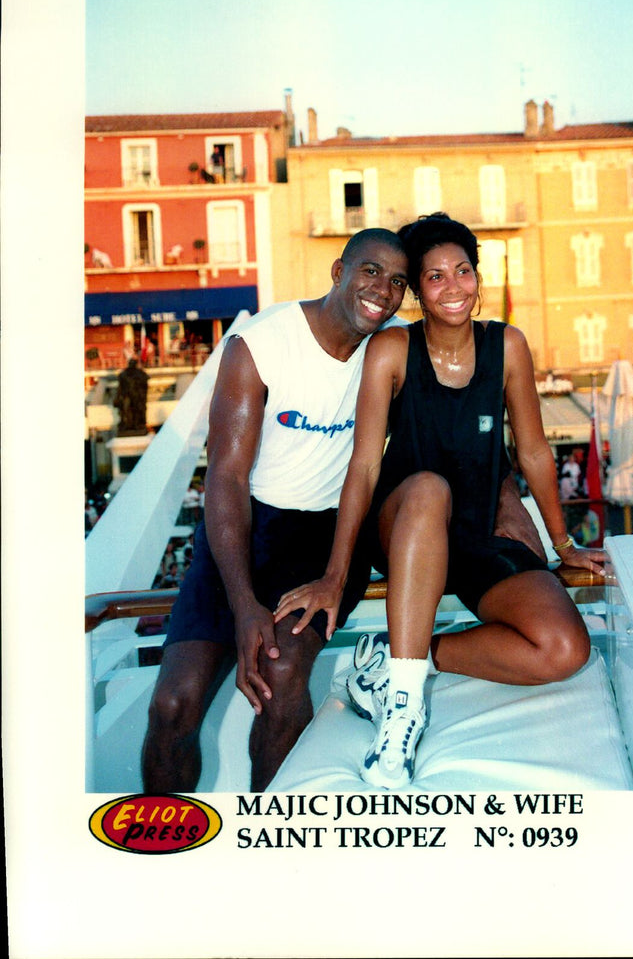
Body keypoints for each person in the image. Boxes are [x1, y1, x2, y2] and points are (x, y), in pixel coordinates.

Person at [141, 227, 539, 794]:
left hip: (329, 535)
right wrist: (243, 603)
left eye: (399, 281)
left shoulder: (398, 347)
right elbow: (225, 481)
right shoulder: (261, 344)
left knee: (281, 677)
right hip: (243, 528)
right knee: (173, 703)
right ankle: (158, 849)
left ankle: (273, 835)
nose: (383, 288)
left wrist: (508, 502)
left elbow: (468, 430)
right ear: (338, 271)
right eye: (370, 270)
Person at [275, 214, 607, 789]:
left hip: (476, 534)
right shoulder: (392, 350)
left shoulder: (507, 346)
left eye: (463, 271)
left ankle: (403, 657)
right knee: (429, 489)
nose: (453, 286)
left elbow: (532, 452)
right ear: (418, 293)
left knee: (563, 649)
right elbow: (364, 465)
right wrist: (335, 573)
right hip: (403, 525)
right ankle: (403, 710)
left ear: (478, 278)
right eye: (434, 277)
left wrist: (564, 543)